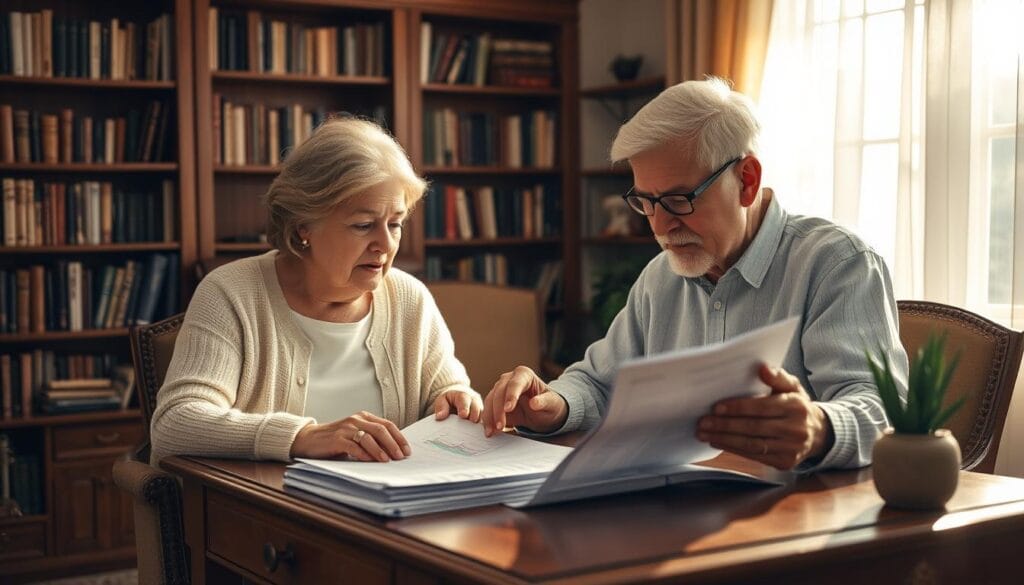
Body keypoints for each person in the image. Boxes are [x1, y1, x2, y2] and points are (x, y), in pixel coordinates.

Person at [482, 77, 908, 471]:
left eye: (679, 199)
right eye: (646, 201)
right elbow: (599, 383)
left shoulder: (836, 264)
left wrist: (819, 428)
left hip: (797, 522)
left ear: (747, 180)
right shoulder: (659, 278)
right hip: (672, 510)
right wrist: (553, 403)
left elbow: (883, 411)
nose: (660, 226)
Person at [150, 117, 481, 467]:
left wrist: (457, 400)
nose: (386, 244)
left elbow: (444, 396)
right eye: (363, 225)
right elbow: (175, 423)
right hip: (266, 513)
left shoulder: (410, 299)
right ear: (303, 225)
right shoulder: (232, 293)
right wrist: (301, 437)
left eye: (395, 223)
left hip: (387, 513)